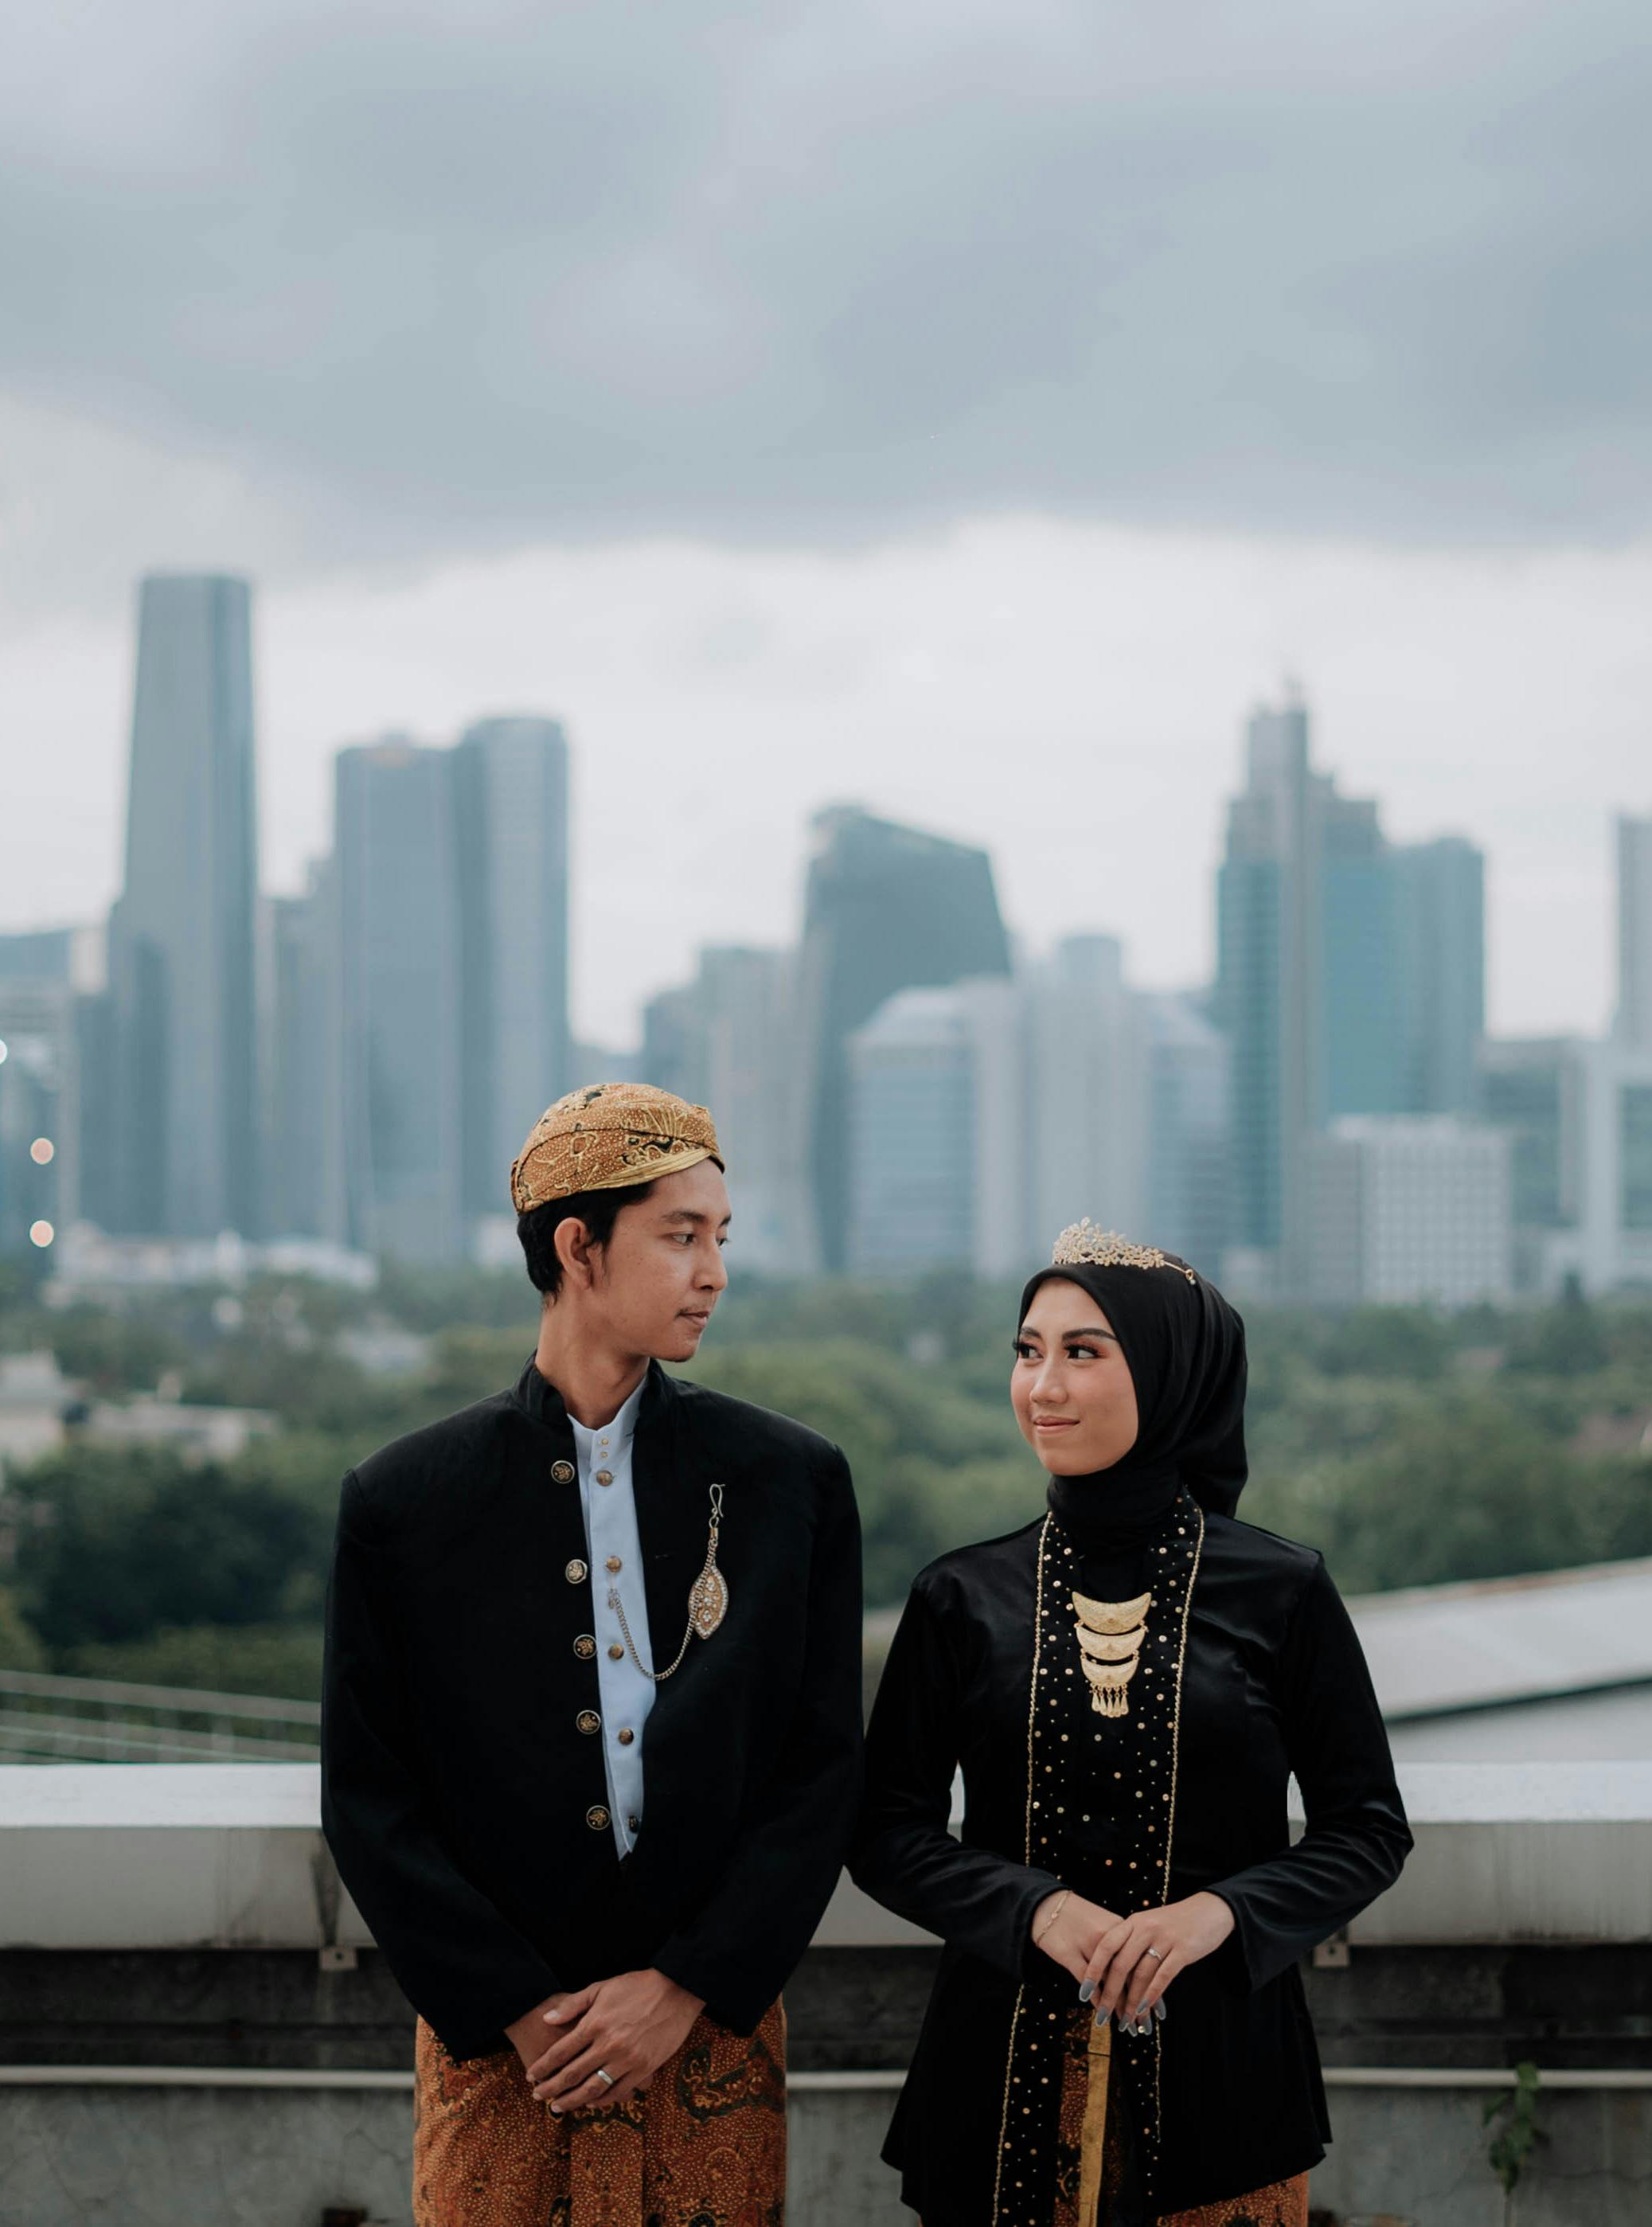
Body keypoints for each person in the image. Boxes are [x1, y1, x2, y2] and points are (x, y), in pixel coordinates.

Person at [322, 1082, 863, 2227]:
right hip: (502, 2056)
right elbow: (368, 1796)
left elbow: (818, 1771)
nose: (713, 1272)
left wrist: (684, 1984)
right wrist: (518, 2009)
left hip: (708, 2040)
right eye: (680, 1236)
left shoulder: (788, 1481)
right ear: (578, 1247)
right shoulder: (405, 1501)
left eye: (720, 1238)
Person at [851, 1221, 1411, 2227]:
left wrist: (1219, 1914)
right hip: (991, 2086)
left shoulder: (1280, 1589)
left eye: (1082, 1352)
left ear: (1168, 1373)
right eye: (1027, 1350)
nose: (1042, 1386)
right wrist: (1032, 1908)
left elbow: (1366, 1828)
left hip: (1225, 2083)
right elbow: (884, 1828)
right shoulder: (958, 1595)